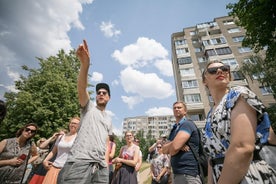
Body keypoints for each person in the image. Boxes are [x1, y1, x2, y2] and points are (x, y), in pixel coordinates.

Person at [201, 61, 276, 183]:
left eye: (224, 68)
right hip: (218, 175)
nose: (220, 71)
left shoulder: (239, 95)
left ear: (229, 76)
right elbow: (212, 157)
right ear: (205, 80)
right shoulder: (209, 115)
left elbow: (242, 148)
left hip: (249, 174)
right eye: (213, 70)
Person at [57, 39, 113, 184]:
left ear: (109, 98)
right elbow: (81, 88)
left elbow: (107, 143)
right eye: (98, 92)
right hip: (80, 163)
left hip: (100, 168)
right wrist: (85, 65)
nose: (100, 94)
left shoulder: (108, 119)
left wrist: (105, 164)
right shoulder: (88, 108)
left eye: (104, 92)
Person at [162, 101, 202, 184]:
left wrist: (174, 146)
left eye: (179, 107)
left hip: (188, 173)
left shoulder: (187, 124)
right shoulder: (174, 128)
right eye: (174, 108)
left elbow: (174, 149)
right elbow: (164, 150)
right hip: (177, 173)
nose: (176, 109)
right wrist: (175, 143)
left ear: (185, 111)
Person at [42, 117, 80, 184]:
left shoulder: (79, 138)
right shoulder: (61, 137)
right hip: (54, 168)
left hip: (67, 170)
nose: (73, 125)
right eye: (72, 123)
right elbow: (53, 151)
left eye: (76, 123)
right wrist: (45, 160)